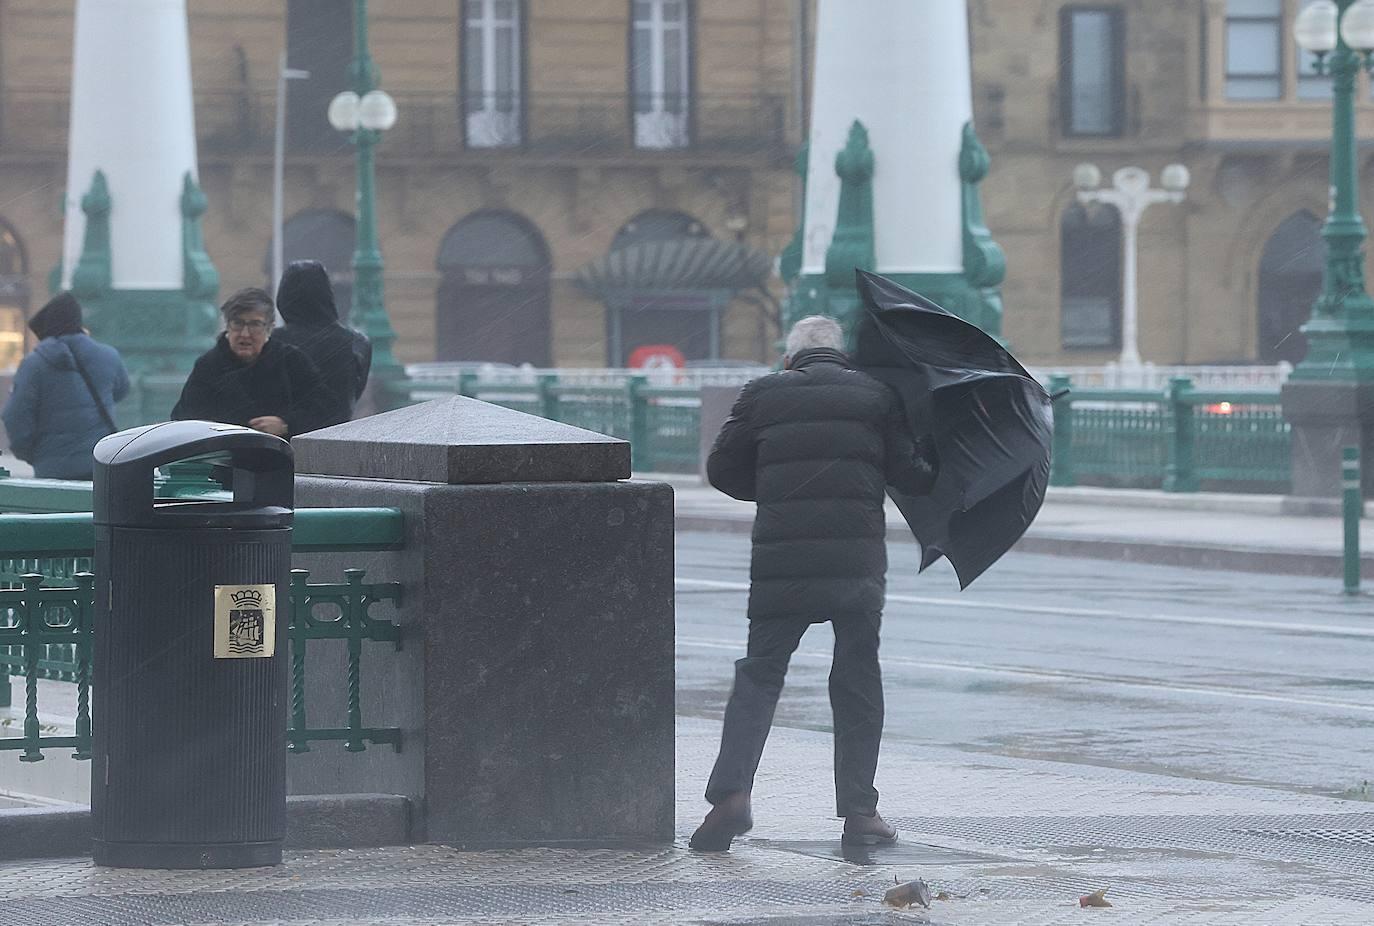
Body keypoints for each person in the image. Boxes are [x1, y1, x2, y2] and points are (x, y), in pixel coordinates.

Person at [688, 315, 939, 852]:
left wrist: (777, 485)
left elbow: (722, 470)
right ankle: (860, 812)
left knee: (759, 676)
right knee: (856, 682)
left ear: (789, 358)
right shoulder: (876, 396)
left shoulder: (763, 394)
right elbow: (913, 475)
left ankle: (731, 796)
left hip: (782, 564)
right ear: (842, 356)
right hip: (856, 563)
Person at [172, 287, 332, 438]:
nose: (245, 334)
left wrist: (286, 424)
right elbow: (184, 418)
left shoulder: (292, 361)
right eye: (237, 323)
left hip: (281, 453)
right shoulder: (208, 366)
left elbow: (325, 409)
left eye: (255, 325)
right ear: (227, 326)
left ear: (270, 329)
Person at [2, 292, 128, 480]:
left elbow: (15, 415)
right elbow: (121, 390)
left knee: (55, 500)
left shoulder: (34, 363)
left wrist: (31, 453)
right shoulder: (109, 356)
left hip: (52, 466)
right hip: (98, 461)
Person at [273, 260, 372, 427]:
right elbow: (353, 393)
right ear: (328, 294)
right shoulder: (357, 342)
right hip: (335, 436)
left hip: (283, 437)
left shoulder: (272, 342)